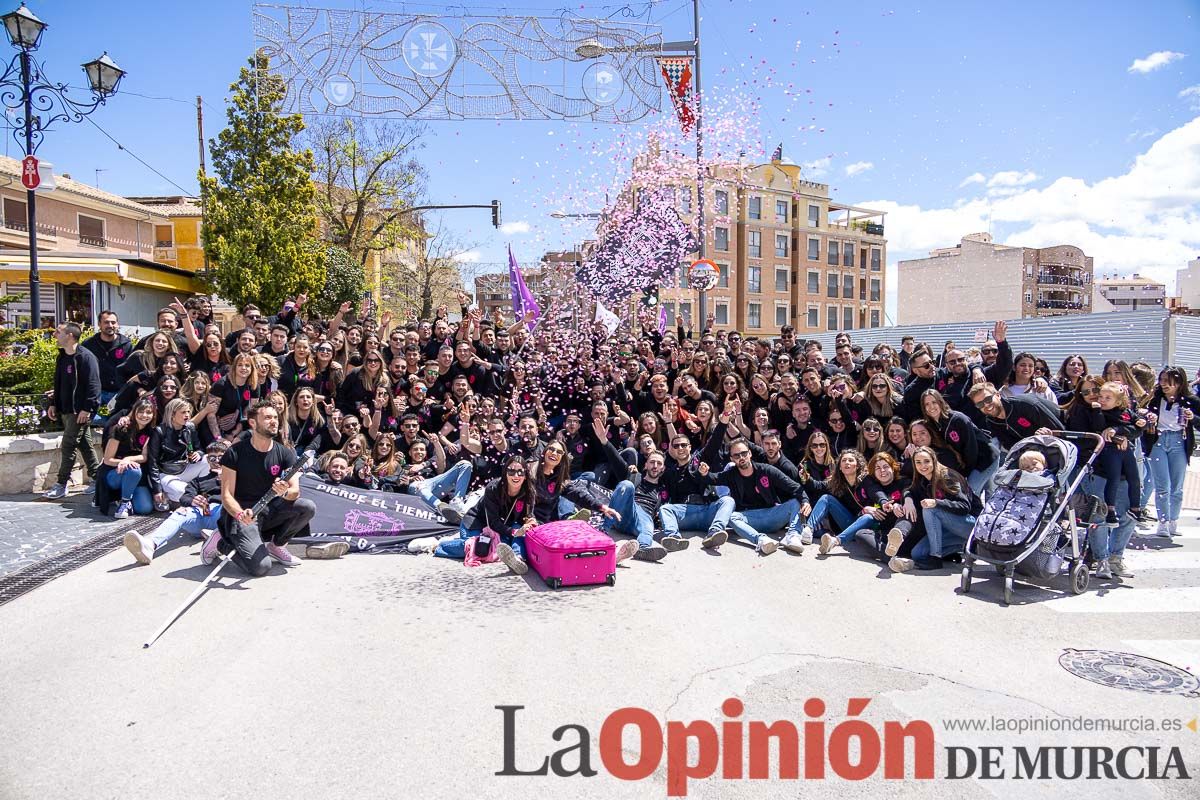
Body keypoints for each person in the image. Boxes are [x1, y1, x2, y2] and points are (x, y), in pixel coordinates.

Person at [202, 401, 316, 575]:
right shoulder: (234, 452)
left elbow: (295, 491)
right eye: (268, 417)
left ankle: (276, 546)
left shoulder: (284, 452)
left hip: (270, 509)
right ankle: (220, 543)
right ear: (253, 423)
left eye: (276, 417)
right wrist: (240, 514)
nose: (274, 421)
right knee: (261, 567)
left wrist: (283, 491)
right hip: (243, 515)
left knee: (307, 507)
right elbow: (226, 496)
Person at [123, 441, 229, 565]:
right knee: (181, 512)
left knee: (228, 506)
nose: (216, 461)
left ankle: (218, 535)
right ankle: (150, 545)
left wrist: (226, 480)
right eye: (212, 458)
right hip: (201, 515)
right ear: (208, 460)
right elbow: (184, 498)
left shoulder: (235, 478)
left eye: (220, 457)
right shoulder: (199, 481)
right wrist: (192, 500)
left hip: (221, 514)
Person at [707, 439, 808, 555]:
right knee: (731, 517)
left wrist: (805, 500)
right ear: (732, 459)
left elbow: (794, 487)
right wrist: (704, 473)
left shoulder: (766, 470)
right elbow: (712, 478)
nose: (741, 457)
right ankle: (761, 540)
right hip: (749, 518)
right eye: (736, 455)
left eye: (744, 453)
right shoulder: (730, 474)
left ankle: (793, 536)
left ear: (750, 454)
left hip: (771, 514)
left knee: (795, 502)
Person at [44, 322, 101, 499]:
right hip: (67, 410)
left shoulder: (86, 357)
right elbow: (58, 383)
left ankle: (62, 484)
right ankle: (98, 479)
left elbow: (94, 385)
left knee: (68, 445)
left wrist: (87, 408)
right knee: (84, 443)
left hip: (80, 410)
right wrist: (53, 403)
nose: (54, 335)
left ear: (69, 335)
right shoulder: (62, 357)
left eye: (58, 332)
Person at [1142, 366, 1199, 538]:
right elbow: (1140, 414)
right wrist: (1146, 416)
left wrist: (1193, 418)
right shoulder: (1153, 399)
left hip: (1179, 441)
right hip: (1158, 441)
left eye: (1169, 381)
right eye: (1162, 380)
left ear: (1179, 382)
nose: (1164, 384)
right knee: (1162, 485)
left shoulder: (1190, 400)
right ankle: (1163, 522)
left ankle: (1174, 521)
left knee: (1177, 487)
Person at [98, 398, 156, 519]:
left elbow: (144, 457)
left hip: (135, 474)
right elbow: (108, 459)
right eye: (141, 411)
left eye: (149, 412)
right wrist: (123, 462)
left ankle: (126, 494)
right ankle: (125, 503)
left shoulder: (150, 432)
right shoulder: (120, 429)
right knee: (133, 469)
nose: (144, 415)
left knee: (145, 508)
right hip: (114, 472)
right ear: (134, 412)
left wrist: (128, 459)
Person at [146, 398, 208, 509]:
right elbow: (153, 462)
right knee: (183, 491)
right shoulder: (159, 431)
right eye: (183, 412)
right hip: (165, 473)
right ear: (172, 414)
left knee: (208, 459)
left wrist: (199, 453)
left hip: (184, 468)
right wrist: (157, 489)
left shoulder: (190, 427)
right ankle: (167, 495)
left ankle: (199, 491)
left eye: (188, 412)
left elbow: (199, 448)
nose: (187, 415)